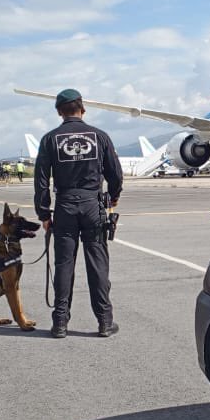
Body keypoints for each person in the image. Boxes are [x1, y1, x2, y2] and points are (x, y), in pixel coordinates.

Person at [34, 89, 124, 338]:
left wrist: (44, 213)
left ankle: (60, 322)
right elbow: (115, 174)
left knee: (64, 264)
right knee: (97, 264)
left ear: (59, 112)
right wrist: (113, 197)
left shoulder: (49, 139)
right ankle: (105, 321)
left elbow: (41, 181)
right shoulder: (100, 136)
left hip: (64, 206)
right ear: (82, 108)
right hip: (92, 205)